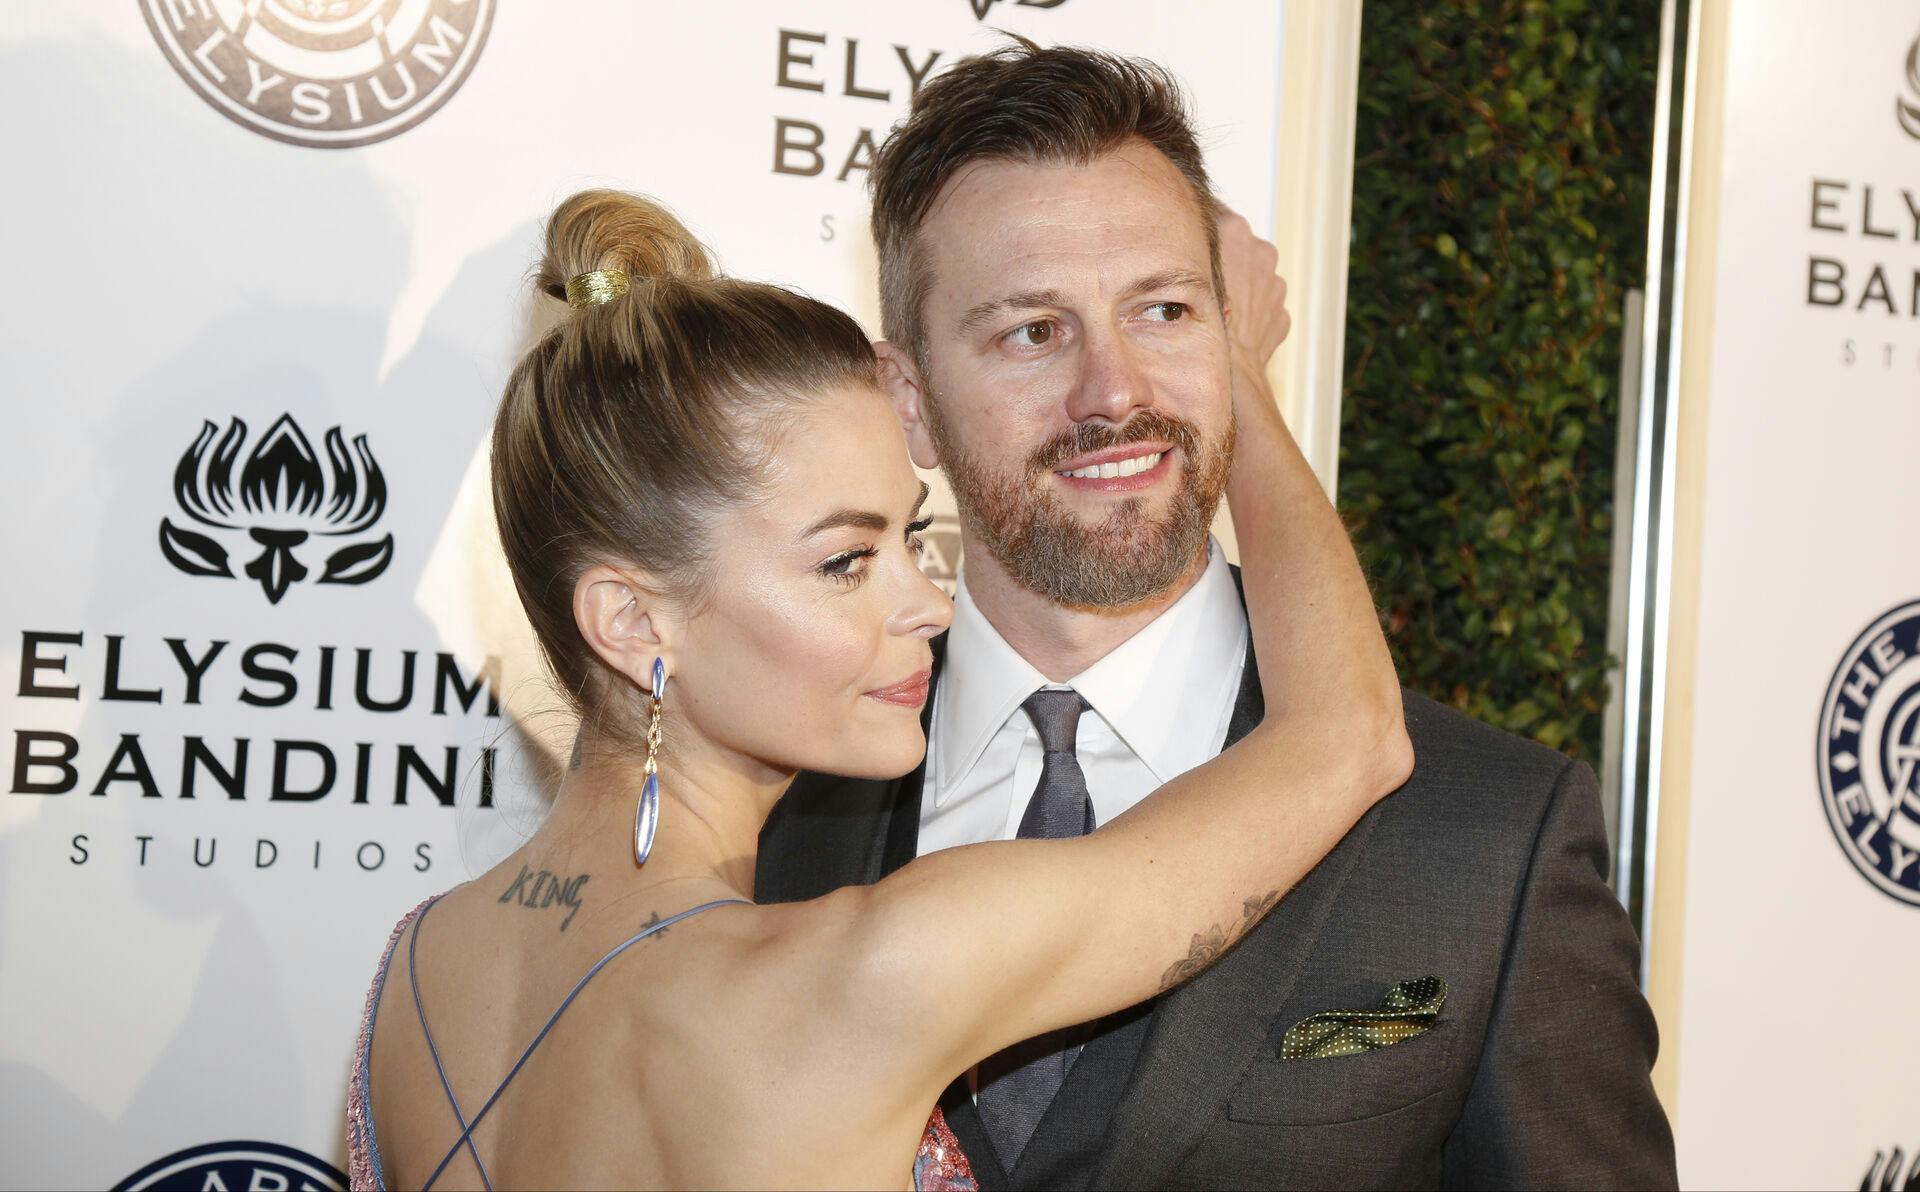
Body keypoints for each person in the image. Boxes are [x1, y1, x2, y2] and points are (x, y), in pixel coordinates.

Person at [346, 185, 1408, 1189]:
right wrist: (1236, 372)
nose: (929, 607)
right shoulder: (874, 973)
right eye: (846, 562)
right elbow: (1350, 737)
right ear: (632, 621)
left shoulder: (416, 967)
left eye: (911, 536)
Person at [756, 41, 1680, 1191]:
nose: (1115, 392)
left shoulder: (1489, 834)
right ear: (912, 401)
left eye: (1165, 309)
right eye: (1032, 332)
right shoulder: (770, 809)